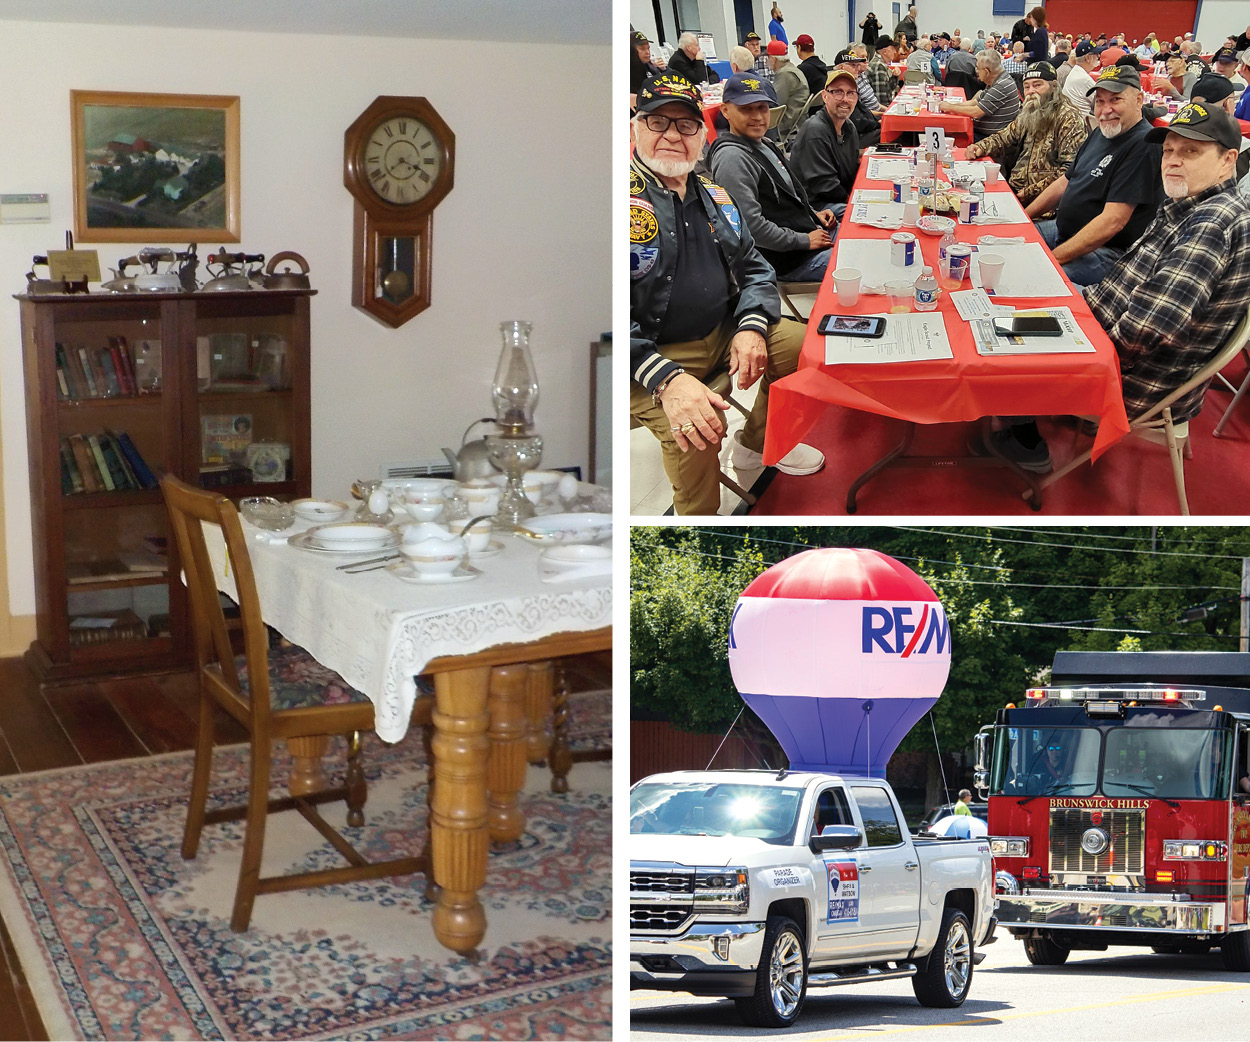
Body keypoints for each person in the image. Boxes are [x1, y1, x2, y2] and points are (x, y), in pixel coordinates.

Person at [1006, 103, 1250, 470]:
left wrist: (1071, 347)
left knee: (1003, 345)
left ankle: (1018, 434)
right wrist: (1070, 310)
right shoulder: (1188, 204)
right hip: (1108, 339)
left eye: (1191, 151)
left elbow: (1144, 331)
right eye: (1168, 150)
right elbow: (1125, 289)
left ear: (1228, 159)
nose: (1173, 160)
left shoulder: (1212, 223)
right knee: (1015, 306)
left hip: (1134, 378)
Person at [629, 74, 824, 515]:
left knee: (807, 347)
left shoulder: (715, 195)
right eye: (658, 122)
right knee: (700, 426)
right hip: (643, 354)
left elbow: (755, 268)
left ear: (703, 135)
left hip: (722, 328)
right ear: (634, 129)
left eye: (685, 126)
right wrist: (666, 378)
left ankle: (754, 448)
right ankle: (695, 520)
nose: (672, 137)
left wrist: (752, 326)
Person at [1025, 65, 1163, 286]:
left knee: (1037, 281)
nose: (1106, 110)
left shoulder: (1144, 144)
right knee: (1012, 242)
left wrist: (1052, 260)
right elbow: (1064, 183)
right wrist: (1023, 219)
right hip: (1063, 230)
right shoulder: (1103, 131)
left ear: (1139, 100)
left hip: (1106, 252)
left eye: (1115, 100)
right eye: (1100, 101)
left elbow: (1113, 221)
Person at [707, 72, 837, 282]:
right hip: (788, 260)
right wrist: (804, 240)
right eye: (746, 109)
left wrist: (813, 214)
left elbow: (786, 195)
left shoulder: (764, 143)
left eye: (762, 108)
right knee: (858, 262)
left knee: (862, 236)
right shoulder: (732, 159)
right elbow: (751, 228)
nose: (758, 117)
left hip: (806, 236)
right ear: (725, 111)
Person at [965, 62, 1087, 214]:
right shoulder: (1030, 111)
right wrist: (980, 146)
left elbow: (1070, 171)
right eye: (1027, 86)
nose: (1031, 91)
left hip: (1047, 206)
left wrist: (1031, 192)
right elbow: (1005, 137)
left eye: (1037, 85)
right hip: (1015, 192)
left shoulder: (1068, 118)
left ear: (1054, 87)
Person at [789, 67, 861, 215]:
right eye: (838, 92)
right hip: (817, 206)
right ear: (825, 96)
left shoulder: (849, 127)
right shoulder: (815, 131)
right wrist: (855, 202)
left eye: (850, 93)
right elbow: (824, 186)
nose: (845, 99)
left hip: (838, 197)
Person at [938, 48, 1022, 142]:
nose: (976, 71)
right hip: (984, 133)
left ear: (986, 72)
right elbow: (975, 102)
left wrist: (949, 107)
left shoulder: (1001, 86)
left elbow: (975, 112)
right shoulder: (998, 79)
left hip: (991, 139)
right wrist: (947, 106)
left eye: (977, 68)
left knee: (947, 136)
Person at [766, 39, 810, 140]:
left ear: (774, 58)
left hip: (787, 123)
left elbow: (776, 102)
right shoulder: (792, 69)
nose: (767, 61)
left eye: (768, 57)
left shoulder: (784, 74)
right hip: (797, 118)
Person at [1063, 40, 1101, 124]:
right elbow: (1102, 101)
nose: (1098, 56)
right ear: (1088, 58)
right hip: (1083, 127)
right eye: (1096, 54)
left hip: (1073, 123)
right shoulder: (1084, 79)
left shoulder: (1076, 72)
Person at [867, 34, 901, 107]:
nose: (895, 52)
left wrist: (895, 77)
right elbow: (882, 99)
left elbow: (888, 88)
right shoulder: (879, 66)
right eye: (892, 49)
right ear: (884, 51)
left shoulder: (881, 63)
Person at [630, 31, 665, 99]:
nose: (647, 52)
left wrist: (664, 70)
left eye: (648, 48)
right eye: (642, 49)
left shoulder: (650, 66)